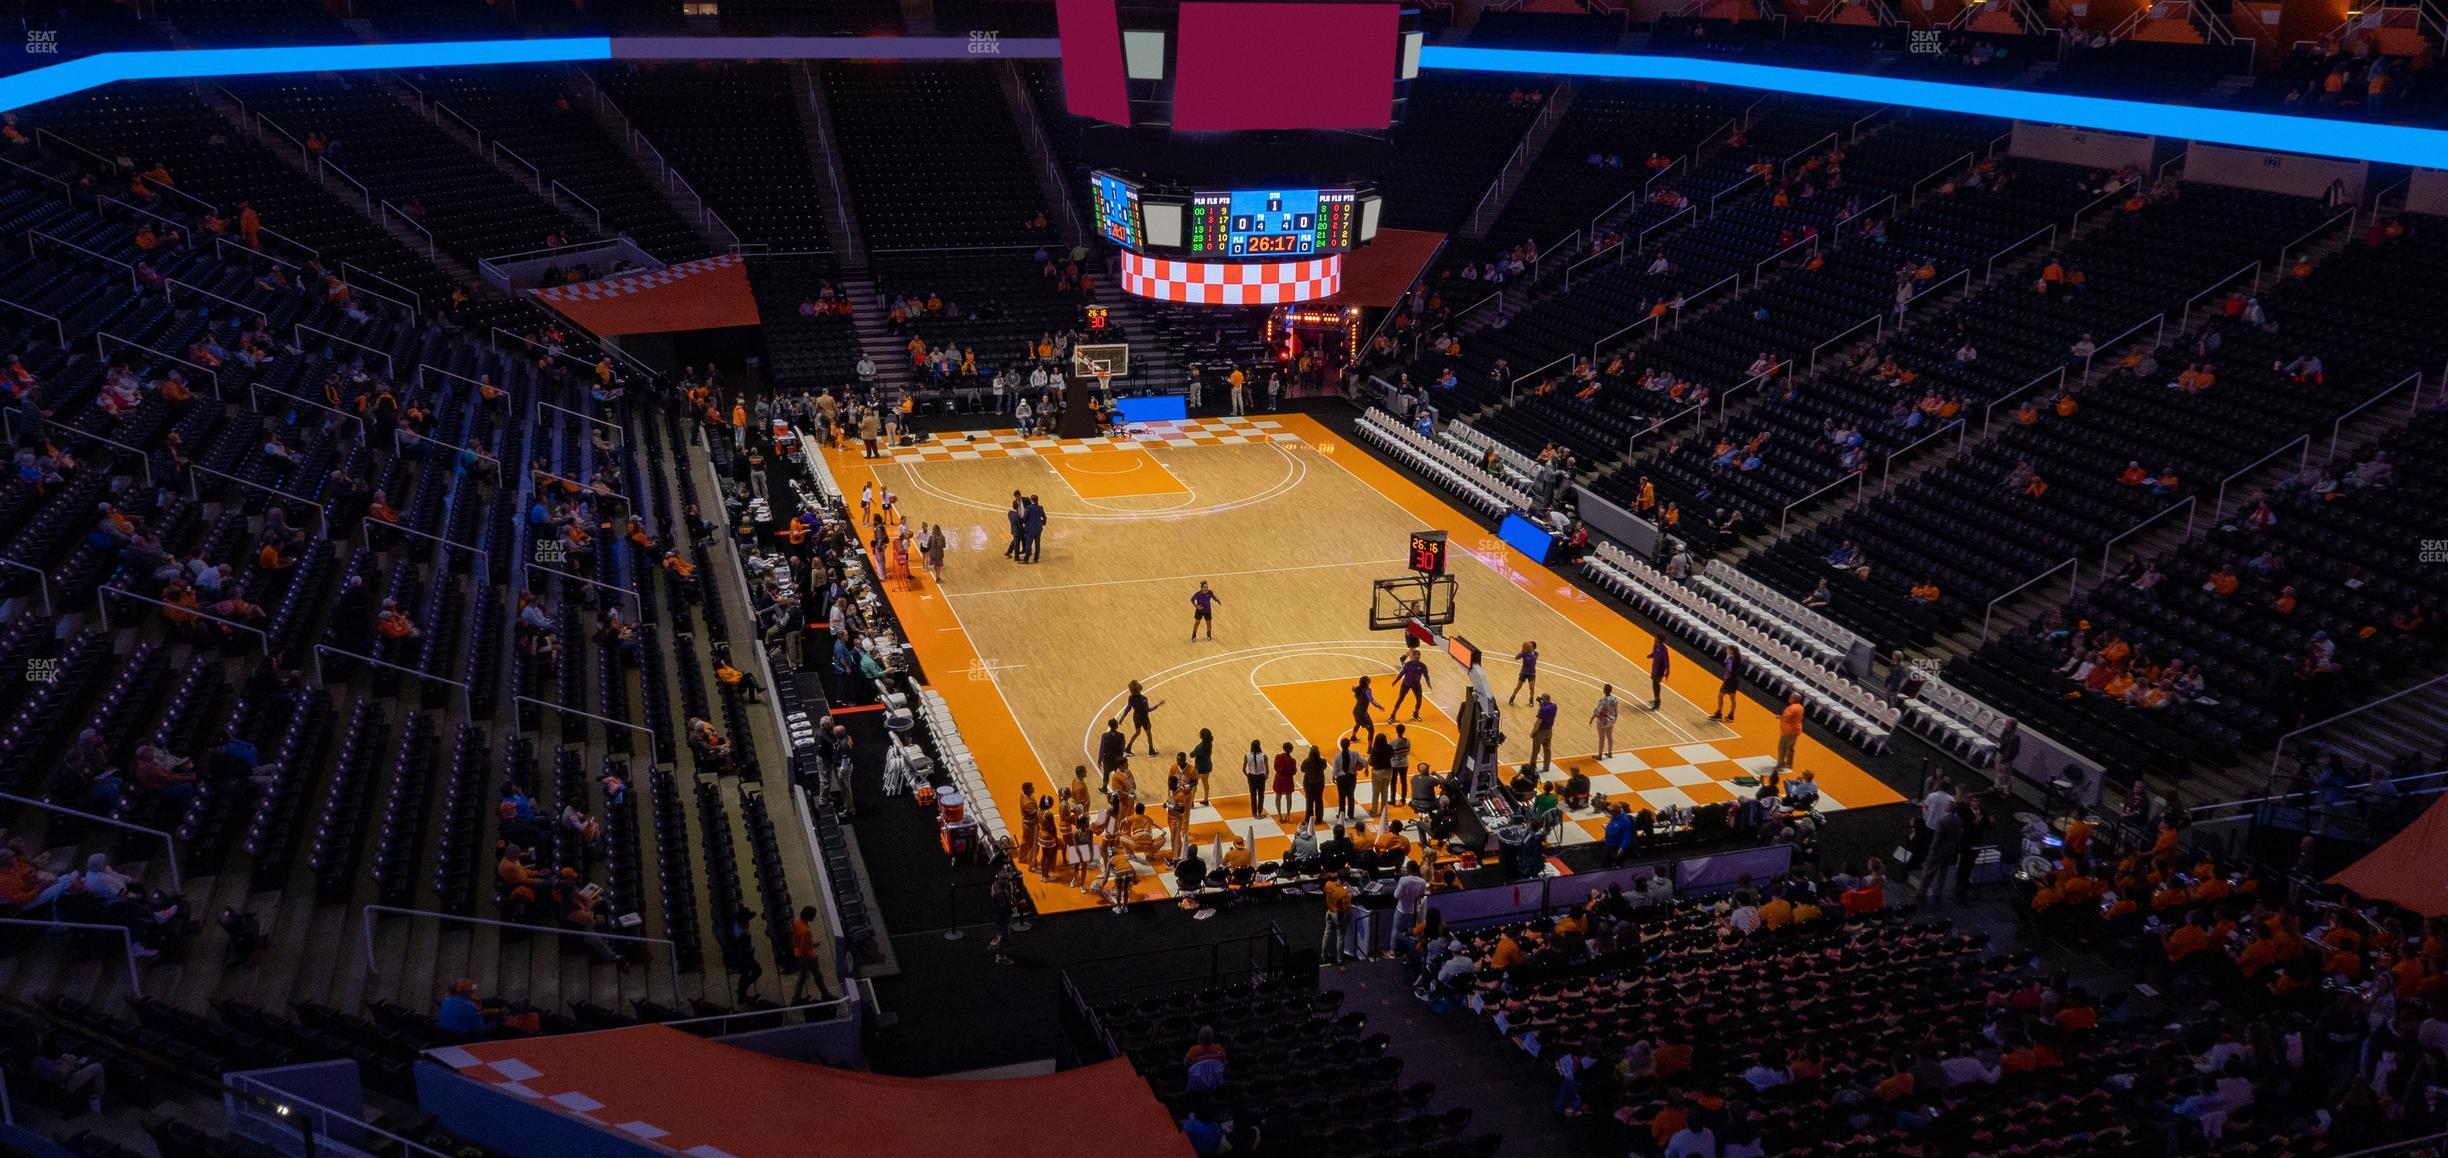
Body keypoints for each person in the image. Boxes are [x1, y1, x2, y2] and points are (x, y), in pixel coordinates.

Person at [791, 905, 832, 999]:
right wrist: (812, 947)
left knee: (802, 976)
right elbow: (803, 948)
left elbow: (797, 940)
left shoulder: (797, 921)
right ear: (809, 915)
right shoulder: (806, 931)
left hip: (799, 954)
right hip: (808, 957)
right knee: (818, 976)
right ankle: (825, 994)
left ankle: (797, 997)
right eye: (813, 915)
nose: (814, 916)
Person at [1389, 646, 1431, 720]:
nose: (1417, 656)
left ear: (1420, 656)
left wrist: (1428, 683)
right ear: (1413, 656)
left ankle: (1415, 714)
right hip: (1406, 684)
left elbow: (1426, 675)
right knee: (1400, 699)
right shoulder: (1408, 664)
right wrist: (1396, 680)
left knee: (1419, 700)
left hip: (1416, 685)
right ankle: (1393, 715)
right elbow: (1402, 673)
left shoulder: (1422, 666)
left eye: (1418, 655)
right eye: (1415, 655)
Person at [1123, 680, 1163, 754]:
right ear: (1138, 689)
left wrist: (1122, 718)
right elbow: (1147, 710)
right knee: (1149, 734)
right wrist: (1156, 706)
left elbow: (1128, 708)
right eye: (1138, 685)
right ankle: (1151, 751)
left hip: (1136, 717)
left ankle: (1128, 748)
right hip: (1144, 717)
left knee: (1137, 732)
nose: (1140, 685)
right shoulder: (1143, 699)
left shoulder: (1130, 698)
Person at [1321, 872, 1353, 966]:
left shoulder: (1328, 884)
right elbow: (1347, 908)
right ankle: (1339, 959)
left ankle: (1323, 955)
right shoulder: (1343, 893)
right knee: (1340, 937)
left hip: (1329, 912)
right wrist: (1349, 897)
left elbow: (1326, 891)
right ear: (1345, 880)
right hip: (1338, 915)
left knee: (1326, 934)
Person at [1529, 693, 1558, 772]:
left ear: (1544, 699)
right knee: (1547, 749)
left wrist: (1533, 732)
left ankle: (1532, 766)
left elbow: (1538, 721)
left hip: (1541, 731)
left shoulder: (1543, 709)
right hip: (1549, 730)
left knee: (1535, 749)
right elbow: (1546, 709)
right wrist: (1541, 704)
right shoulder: (1554, 706)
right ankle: (1546, 766)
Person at [1242, 739, 1270, 817]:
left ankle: (1254, 813)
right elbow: (1267, 770)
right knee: (1261, 795)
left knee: (1253, 795)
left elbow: (1243, 769)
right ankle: (1259, 813)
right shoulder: (1263, 756)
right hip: (1261, 777)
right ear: (1259, 746)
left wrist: (1248, 776)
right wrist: (1266, 776)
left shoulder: (1247, 755)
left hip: (1251, 776)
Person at [1712, 646, 1741, 721]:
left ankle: (1718, 714)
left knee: (1720, 696)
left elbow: (1729, 669)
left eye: (1728, 649)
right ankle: (1731, 715)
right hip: (1735, 680)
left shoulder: (1730, 659)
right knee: (1732, 698)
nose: (1726, 650)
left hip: (1729, 680)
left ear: (1731, 651)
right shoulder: (1739, 658)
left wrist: (1726, 677)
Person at [1776, 692, 1804, 769]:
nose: (1789, 698)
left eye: (1791, 697)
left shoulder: (1792, 708)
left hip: (1789, 731)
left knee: (1782, 748)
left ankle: (1780, 764)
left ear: (1795, 699)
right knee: (1790, 748)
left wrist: (1779, 717)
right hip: (1796, 730)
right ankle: (1789, 763)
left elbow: (1786, 717)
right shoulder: (1800, 707)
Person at [1508, 640, 1539, 704]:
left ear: (1533, 647)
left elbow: (1533, 660)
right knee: (1518, 686)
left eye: (1530, 646)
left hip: (1532, 673)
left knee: (1532, 688)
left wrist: (1528, 652)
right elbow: (1516, 658)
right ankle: (1512, 697)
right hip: (1523, 672)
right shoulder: (1524, 652)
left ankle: (1531, 700)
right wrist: (1521, 652)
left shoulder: (1536, 653)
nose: (1528, 647)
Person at [1648, 637, 1671, 711]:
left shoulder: (1664, 649)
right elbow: (1654, 653)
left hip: (1660, 669)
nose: (1654, 639)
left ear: (1659, 640)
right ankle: (1656, 699)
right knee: (1654, 685)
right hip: (1654, 668)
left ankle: (1657, 703)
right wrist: (1651, 655)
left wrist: (1667, 671)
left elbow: (1667, 661)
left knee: (1656, 685)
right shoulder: (1655, 645)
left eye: (1656, 638)